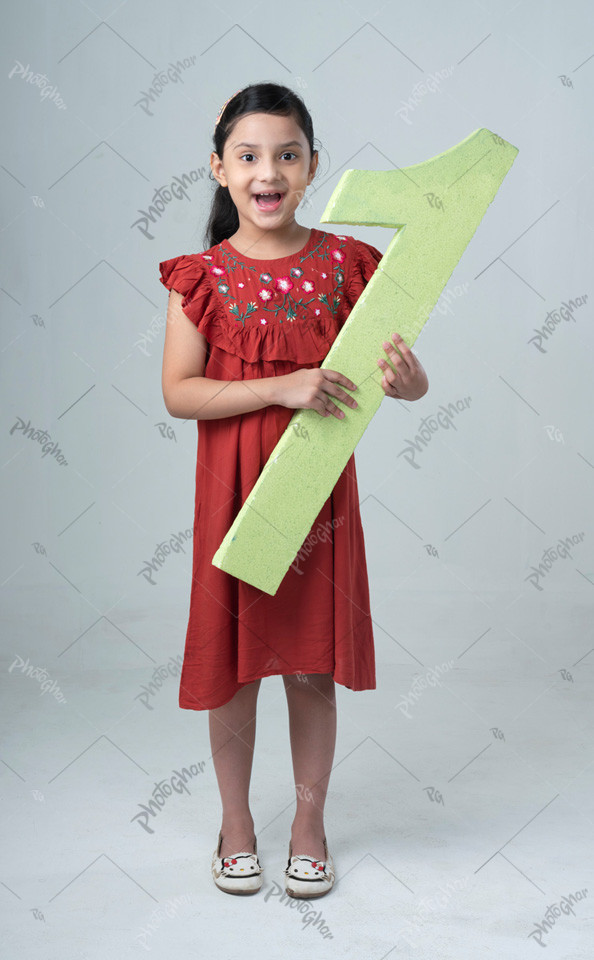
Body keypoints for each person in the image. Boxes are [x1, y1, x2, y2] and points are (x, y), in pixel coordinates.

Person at [159, 82, 428, 898]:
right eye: (248, 156)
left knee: (310, 667)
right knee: (235, 667)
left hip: (318, 497)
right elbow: (179, 392)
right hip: (232, 496)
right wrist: (279, 388)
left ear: (313, 167)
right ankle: (236, 825)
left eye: (286, 155)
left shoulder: (349, 265)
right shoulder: (200, 277)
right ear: (219, 168)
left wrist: (411, 382)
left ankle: (309, 825)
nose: (267, 172)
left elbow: (396, 383)